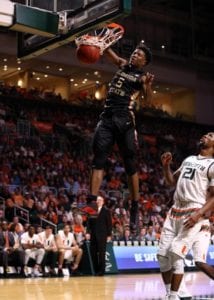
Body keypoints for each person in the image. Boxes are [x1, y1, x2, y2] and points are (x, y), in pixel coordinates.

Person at [88, 41, 154, 229]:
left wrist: (148, 86)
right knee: (98, 160)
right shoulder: (124, 65)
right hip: (107, 118)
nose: (135, 55)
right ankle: (91, 204)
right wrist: (101, 43)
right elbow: (111, 55)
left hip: (125, 120)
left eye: (139, 55)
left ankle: (134, 207)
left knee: (130, 165)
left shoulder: (142, 77)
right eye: (134, 52)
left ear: (145, 62)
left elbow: (149, 102)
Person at [157, 132, 214, 300]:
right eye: (206, 134)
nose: (205, 136)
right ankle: (170, 294)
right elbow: (170, 182)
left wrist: (199, 214)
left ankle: (174, 296)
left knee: (176, 254)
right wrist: (166, 167)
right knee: (162, 256)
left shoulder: (212, 165)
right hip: (175, 210)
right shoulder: (189, 159)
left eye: (211, 135)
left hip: (193, 211)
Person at [86, 195, 112, 276]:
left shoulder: (106, 211)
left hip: (102, 235)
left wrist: (109, 235)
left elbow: (109, 224)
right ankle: (95, 269)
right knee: (93, 252)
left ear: (103, 202)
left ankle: (102, 271)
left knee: (101, 253)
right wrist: (87, 232)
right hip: (93, 235)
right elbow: (88, 222)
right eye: (97, 200)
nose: (98, 201)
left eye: (100, 200)